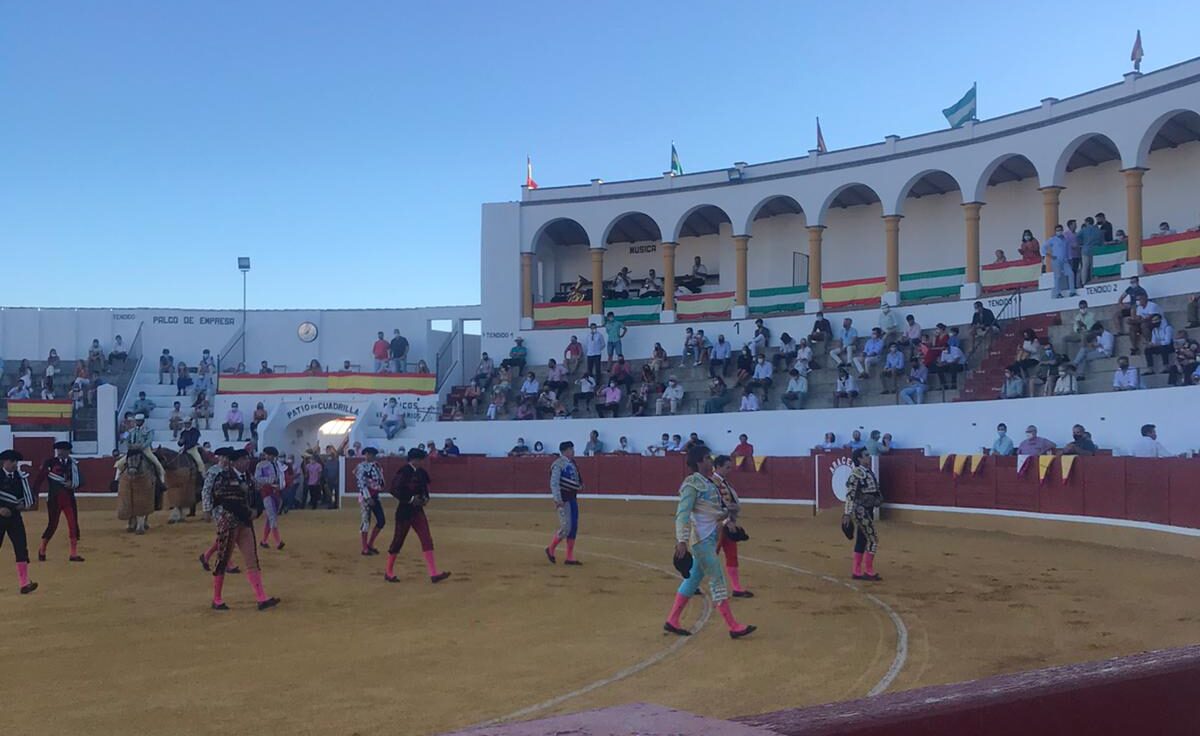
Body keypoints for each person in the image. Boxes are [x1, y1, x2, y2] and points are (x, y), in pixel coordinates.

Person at [663, 445, 756, 639]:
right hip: (701, 542)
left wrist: (727, 522)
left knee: (692, 580)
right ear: (699, 461)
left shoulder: (709, 483)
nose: (710, 461)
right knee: (717, 580)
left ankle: (672, 620)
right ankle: (733, 626)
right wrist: (681, 540)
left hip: (709, 539)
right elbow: (682, 514)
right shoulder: (691, 484)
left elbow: (710, 512)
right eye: (707, 458)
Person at [203, 448, 280, 611]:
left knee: (252, 560)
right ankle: (216, 599)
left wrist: (257, 511)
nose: (247, 462)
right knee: (223, 560)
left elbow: (258, 497)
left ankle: (261, 598)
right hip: (229, 523)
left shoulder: (249, 478)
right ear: (235, 462)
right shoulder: (223, 476)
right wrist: (249, 513)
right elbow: (228, 500)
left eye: (247, 459)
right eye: (244, 459)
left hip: (245, 524)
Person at [384, 448, 451, 584]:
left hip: (417, 511)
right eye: (420, 459)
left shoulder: (421, 473)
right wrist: (410, 499)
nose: (421, 462)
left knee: (426, 538)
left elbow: (425, 489)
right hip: (404, 511)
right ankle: (388, 571)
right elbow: (394, 490)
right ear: (413, 459)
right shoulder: (404, 471)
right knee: (398, 540)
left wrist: (425, 498)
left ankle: (433, 573)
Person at [35, 441, 84, 563]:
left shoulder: (73, 464)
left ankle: (73, 554)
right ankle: (42, 549)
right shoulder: (50, 463)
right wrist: (34, 493)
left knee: (73, 525)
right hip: (54, 500)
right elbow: (40, 478)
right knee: (52, 525)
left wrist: (72, 484)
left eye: (63, 450)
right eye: (58, 450)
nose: (60, 452)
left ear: (68, 452)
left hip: (69, 499)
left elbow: (81, 480)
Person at [711, 456, 752, 597]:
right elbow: (714, 507)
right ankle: (693, 584)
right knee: (708, 557)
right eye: (727, 467)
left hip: (728, 525)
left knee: (732, 555)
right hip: (715, 527)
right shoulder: (711, 483)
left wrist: (731, 520)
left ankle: (736, 587)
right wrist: (726, 521)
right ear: (717, 466)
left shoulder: (724, 483)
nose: (730, 470)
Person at [842, 448, 883, 581]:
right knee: (873, 540)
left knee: (862, 539)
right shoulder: (857, 473)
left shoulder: (866, 471)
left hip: (867, 509)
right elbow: (850, 495)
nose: (868, 457)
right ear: (859, 458)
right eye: (866, 455)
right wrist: (847, 514)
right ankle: (869, 571)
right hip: (861, 510)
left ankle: (857, 571)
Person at [0, 450, 38, 594]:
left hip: (15, 518)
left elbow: (28, 499)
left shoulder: (21, 478)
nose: (15, 464)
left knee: (21, 547)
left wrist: (24, 505)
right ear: (5, 462)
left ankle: (24, 583)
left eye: (16, 462)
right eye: (12, 461)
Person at [545, 441, 584, 566]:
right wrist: (557, 499)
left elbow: (577, 479)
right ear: (566, 451)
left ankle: (569, 557)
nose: (573, 451)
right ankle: (550, 548)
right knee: (566, 527)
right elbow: (554, 483)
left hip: (572, 498)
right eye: (571, 449)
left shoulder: (572, 463)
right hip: (563, 500)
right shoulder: (558, 464)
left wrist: (580, 485)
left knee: (573, 527)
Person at [355, 447, 387, 556]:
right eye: (369, 454)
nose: (371, 456)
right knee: (365, 522)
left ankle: (370, 544)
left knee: (381, 520)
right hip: (366, 498)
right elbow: (361, 484)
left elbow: (381, 481)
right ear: (365, 455)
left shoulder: (377, 466)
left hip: (376, 496)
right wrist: (368, 498)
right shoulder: (361, 467)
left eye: (372, 454)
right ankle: (364, 548)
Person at [254, 447, 286, 550]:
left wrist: (279, 485)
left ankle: (264, 541)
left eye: (270, 455)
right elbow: (257, 478)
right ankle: (278, 541)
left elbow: (281, 478)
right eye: (267, 455)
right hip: (267, 492)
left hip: (276, 493)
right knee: (272, 517)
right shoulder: (261, 465)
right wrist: (270, 482)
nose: (268, 457)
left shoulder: (278, 465)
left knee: (270, 517)